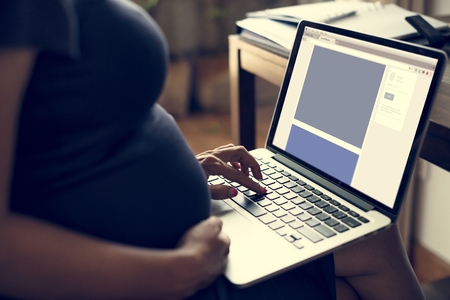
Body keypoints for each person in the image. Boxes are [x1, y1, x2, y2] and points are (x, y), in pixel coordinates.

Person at [0, 0, 424, 299]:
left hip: (147, 247)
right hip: (148, 276)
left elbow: (53, 133)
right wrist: (171, 276)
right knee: (373, 247)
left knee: (368, 243)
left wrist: (182, 171)